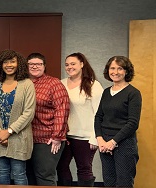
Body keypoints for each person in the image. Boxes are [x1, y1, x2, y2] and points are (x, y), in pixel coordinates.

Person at [0, 50, 35, 185]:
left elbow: (29, 112)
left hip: (19, 137)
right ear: (0, 65)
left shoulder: (27, 84)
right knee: (2, 172)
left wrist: (8, 132)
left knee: (19, 174)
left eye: (12, 61)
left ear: (18, 64)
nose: (9, 65)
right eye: (5, 62)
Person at [57, 52, 103, 186]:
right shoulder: (61, 83)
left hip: (85, 136)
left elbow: (99, 113)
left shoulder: (93, 85)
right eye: (67, 65)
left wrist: (95, 136)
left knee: (84, 169)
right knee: (61, 167)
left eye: (73, 64)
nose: (69, 67)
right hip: (64, 136)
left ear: (82, 64)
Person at [94, 56, 141, 187]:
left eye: (120, 68)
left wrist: (113, 142)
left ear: (126, 71)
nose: (115, 71)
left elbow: (133, 123)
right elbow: (98, 117)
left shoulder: (133, 93)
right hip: (105, 144)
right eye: (112, 68)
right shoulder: (106, 92)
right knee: (109, 182)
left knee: (124, 183)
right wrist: (100, 140)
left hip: (124, 144)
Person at [26, 52, 69, 186]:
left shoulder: (53, 83)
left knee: (44, 175)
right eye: (31, 64)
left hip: (47, 139)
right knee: (29, 176)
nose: (34, 67)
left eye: (38, 64)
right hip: (27, 138)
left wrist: (57, 136)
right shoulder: (24, 83)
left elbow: (63, 109)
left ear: (44, 66)